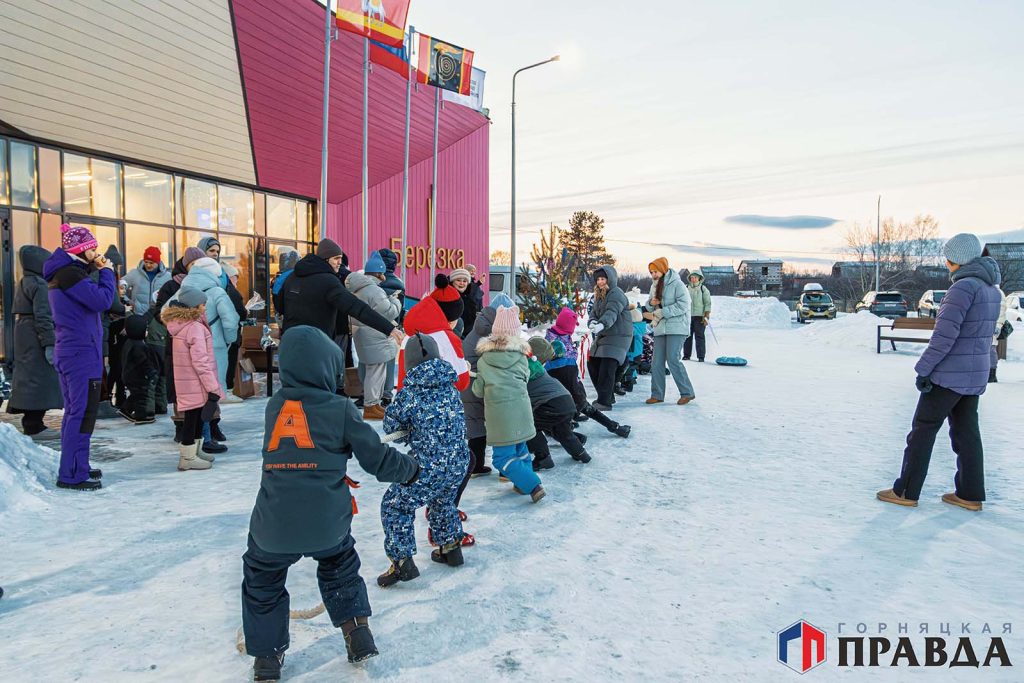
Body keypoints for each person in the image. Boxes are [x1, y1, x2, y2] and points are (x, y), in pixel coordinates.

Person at [241, 326, 419, 681]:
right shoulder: (339, 409)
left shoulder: (274, 407)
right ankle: (357, 633)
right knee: (339, 565)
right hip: (327, 523)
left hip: (272, 526)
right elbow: (377, 459)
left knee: (262, 580)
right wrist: (410, 469)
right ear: (328, 368)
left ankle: (266, 659)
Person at [877, 234, 1001, 512]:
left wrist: (924, 370)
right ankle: (969, 494)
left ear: (956, 259)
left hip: (949, 375)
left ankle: (905, 491)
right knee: (967, 434)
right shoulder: (991, 289)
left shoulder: (961, 289)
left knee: (922, 430)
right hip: (974, 374)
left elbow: (944, 337)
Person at [377, 333, 470, 586]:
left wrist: (407, 426)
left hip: (429, 467)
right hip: (459, 462)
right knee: (443, 500)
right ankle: (450, 547)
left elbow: (391, 427)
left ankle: (402, 562)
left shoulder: (410, 394)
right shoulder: (451, 387)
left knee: (395, 504)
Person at [43, 224, 116, 490]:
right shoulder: (69, 275)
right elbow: (103, 301)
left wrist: (93, 269)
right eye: (93, 248)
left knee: (76, 413)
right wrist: (107, 272)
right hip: (80, 354)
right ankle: (72, 474)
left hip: (75, 351)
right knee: (81, 414)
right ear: (82, 250)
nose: (96, 252)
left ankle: (77, 466)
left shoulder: (69, 274)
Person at [276, 240, 403, 355]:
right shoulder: (328, 281)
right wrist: (389, 328)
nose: (340, 263)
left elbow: (280, 306)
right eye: (336, 258)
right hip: (317, 347)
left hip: (290, 344)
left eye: (340, 258)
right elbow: (356, 307)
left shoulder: (292, 278)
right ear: (325, 259)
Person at [473, 305, 545, 503]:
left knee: (502, 458)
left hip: (500, 416)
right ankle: (522, 485)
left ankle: (532, 484)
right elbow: (526, 377)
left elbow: (478, 390)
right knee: (521, 451)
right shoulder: (522, 358)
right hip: (522, 411)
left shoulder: (484, 360)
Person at [176, 257, 239, 453]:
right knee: (209, 394)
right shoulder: (217, 292)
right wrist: (229, 340)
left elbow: (164, 312)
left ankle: (196, 442)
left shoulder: (182, 290)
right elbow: (231, 320)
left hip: (186, 356)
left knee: (195, 400)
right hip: (215, 347)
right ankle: (206, 437)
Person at [161, 288, 220, 471]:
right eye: (203, 304)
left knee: (196, 416)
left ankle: (195, 451)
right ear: (194, 306)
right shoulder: (194, 327)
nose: (205, 307)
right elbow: (201, 360)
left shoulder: (184, 324)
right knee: (192, 417)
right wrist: (212, 386)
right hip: (196, 379)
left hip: (187, 378)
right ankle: (187, 457)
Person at [6, 245, 63, 435]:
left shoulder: (24, 282)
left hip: (25, 333)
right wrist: (49, 343)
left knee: (29, 377)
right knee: (40, 379)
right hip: (35, 335)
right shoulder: (39, 285)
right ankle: (34, 423)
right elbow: (44, 316)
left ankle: (32, 421)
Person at [155, 247, 205, 442]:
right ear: (186, 264)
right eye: (193, 264)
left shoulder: (205, 283)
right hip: (175, 343)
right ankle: (181, 426)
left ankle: (200, 430)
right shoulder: (171, 286)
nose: (196, 268)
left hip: (198, 342)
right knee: (180, 388)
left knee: (198, 386)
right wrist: (179, 321)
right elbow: (159, 311)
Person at [346, 252, 401, 421]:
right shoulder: (374, 291)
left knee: (370, 370)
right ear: (379, 272)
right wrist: (395, 300)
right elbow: (388, 312)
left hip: (363, 335)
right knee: (376, 372)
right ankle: (372, 405)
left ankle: (373, 404)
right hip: (375, 336)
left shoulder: (356, 289)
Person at [526, 337, 591, 469]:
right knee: (562, 432)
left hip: (552, 403)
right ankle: (581, 454)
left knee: (528, 426)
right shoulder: (536, 367)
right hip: (566, 400)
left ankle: (543, 457)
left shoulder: (525, 368)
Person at [397, 274, 471, 392]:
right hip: (436, 405)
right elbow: (461, 381)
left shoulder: (409, 335)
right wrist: (465, 368)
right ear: (452, 319)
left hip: (407, 403)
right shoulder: (447, 338)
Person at [123, 246, 172, 413]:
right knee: (142, 359)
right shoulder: (135, 274)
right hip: (137, 319)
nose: (149, 265)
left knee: (155, 360)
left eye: (152, 262)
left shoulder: (167, 277)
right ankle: (148, 404)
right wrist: (127, 300)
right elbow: (122, 284)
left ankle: (158, 403)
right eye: (147, 261)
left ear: (158, 262)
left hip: (156, 321)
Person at [644, 258, 696, 405]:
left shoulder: (677, 284)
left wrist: (662, 312)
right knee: (657, 362)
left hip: (677, 327)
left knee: (673, 359)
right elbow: (649, 307)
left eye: (655, 271)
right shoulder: (654, 286)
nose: (653, 275)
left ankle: (687, 392)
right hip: (661, 328)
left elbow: (684, 305)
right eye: (651, 272)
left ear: (663, 269)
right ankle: (657, 394)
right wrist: (650, 303)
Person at [197, 237, 247, 390]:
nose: (214, 254)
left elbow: (231, 298)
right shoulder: (197, 274)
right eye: (211, 250)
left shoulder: (220, 274)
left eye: (217, 251)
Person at [586, 266, 632, 410]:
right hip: (605, 334)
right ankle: (607, 395)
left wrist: (602, 324)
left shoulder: (616, 293)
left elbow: (612, 312)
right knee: (592, 362)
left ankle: (604, 401)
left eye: (603, 279)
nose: (600, 282)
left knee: (607, 365)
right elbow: (594, 312)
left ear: (610, 279)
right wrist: (592, 321)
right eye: (598, 279)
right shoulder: (599, 294)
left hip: (619, 335)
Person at [117, 315, 163, 424]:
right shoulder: (139, 346)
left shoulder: (128, 343)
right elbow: (144, 362)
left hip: (129, 375)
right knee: (142, 395)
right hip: (137, 376)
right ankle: (141, 415)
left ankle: (126, 409)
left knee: (136, 394)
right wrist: (151, 373)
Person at [377, 248, 406, 403]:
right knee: (388, 360)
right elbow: (400, 310)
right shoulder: (398, 283)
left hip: (373, 325)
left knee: (372, 362)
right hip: (392, 326)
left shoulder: (374, 282)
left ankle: (370, 393)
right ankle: (387, 394)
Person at [683, 270, 712, 362]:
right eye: (692, 277)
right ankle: (686, 355)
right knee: (687, 336)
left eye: (695, 277)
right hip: (687, 316)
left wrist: (706, 315)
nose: (693, 279)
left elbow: (707, 303)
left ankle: (701, 356)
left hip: (700, 317)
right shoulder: (686, 288)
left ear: (699, 278)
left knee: (699, 336)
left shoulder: (703, 289)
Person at [270, 249, 300, 321]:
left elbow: (274, 291)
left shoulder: (281, 276)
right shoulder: (294, 275)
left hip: (279, 304)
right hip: (289, 310)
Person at [449, 267, 478, 339]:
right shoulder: (447, 298)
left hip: (468, 336)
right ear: (452, 282)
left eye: (464, 281)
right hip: (452, 335)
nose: (461, 283)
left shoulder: (470, 298)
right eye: (458, 280)